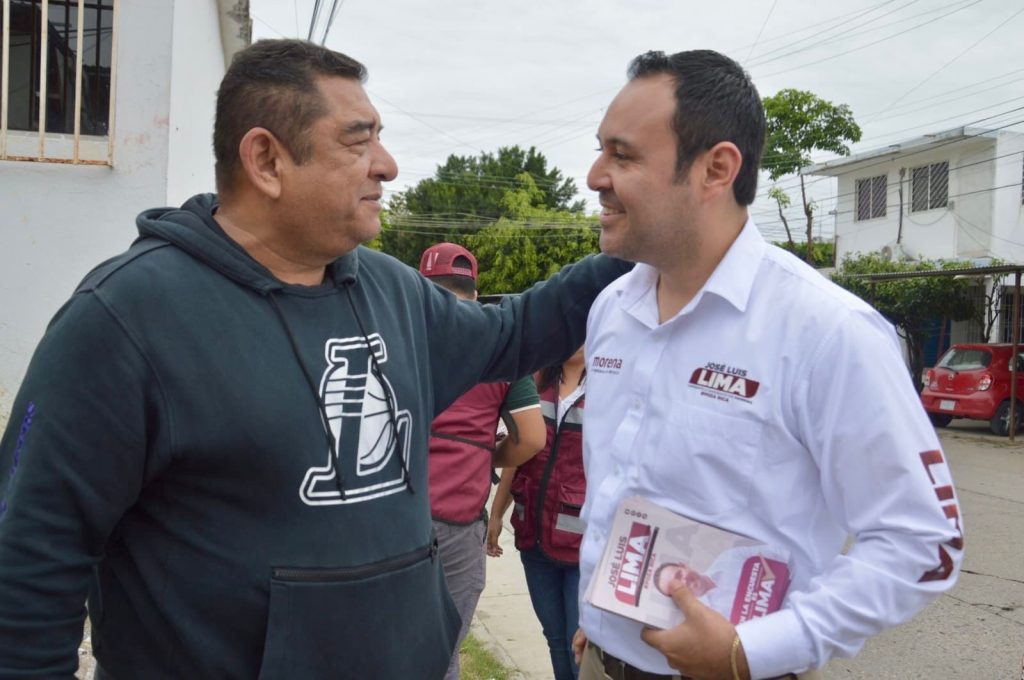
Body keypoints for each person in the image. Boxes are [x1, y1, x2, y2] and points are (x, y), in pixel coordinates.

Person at [0, 39, 631, 679]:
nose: (386, 165)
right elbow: (28, 566)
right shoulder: (125, 319)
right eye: (358, 142)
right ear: (266, 160)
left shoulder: (393, 292)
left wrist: (636, 244)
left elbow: (514, 331)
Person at [574, 49, 964, 680]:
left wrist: (754, 650)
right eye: (601, 151)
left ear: (716, 169)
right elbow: (620, 489)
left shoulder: (828, 332)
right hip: (599, 660)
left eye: (622, 155)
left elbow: (924, 542)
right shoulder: (612, 311)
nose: (595, 176)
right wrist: (599, 622)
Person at [419, 241, 546, 680]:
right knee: (443, 651)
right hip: (458, 517)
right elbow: (531, 438)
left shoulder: (397, 337)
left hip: (393, 514)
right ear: (475, 292)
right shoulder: (499, 349)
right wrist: (483, 455)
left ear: (422, 289)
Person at [488, 346, 587, 680]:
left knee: (578, 644)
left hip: (581, 544)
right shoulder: (536, 380)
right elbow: (520, 452)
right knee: (555, 638)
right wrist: (497, 512)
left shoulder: (609, 386)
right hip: (534, 535)